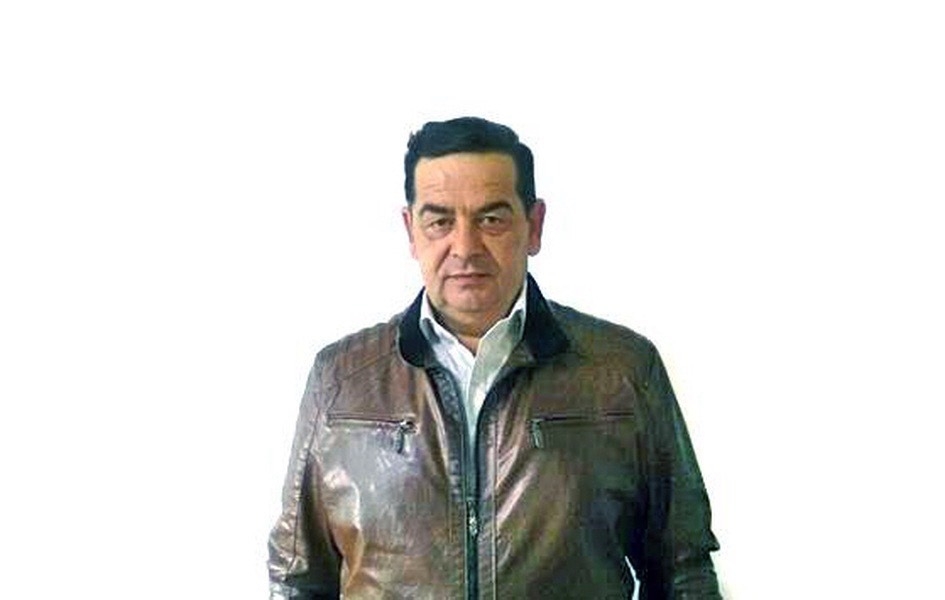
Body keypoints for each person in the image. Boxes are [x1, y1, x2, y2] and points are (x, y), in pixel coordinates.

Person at [267, 117, 721, 599]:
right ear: (411, 230)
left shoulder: (621, 372)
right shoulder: (341, 380)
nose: (465, 247)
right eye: (440, 221)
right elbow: (298, 577)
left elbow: (683, 569)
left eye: (491, 219)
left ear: (534, 225)